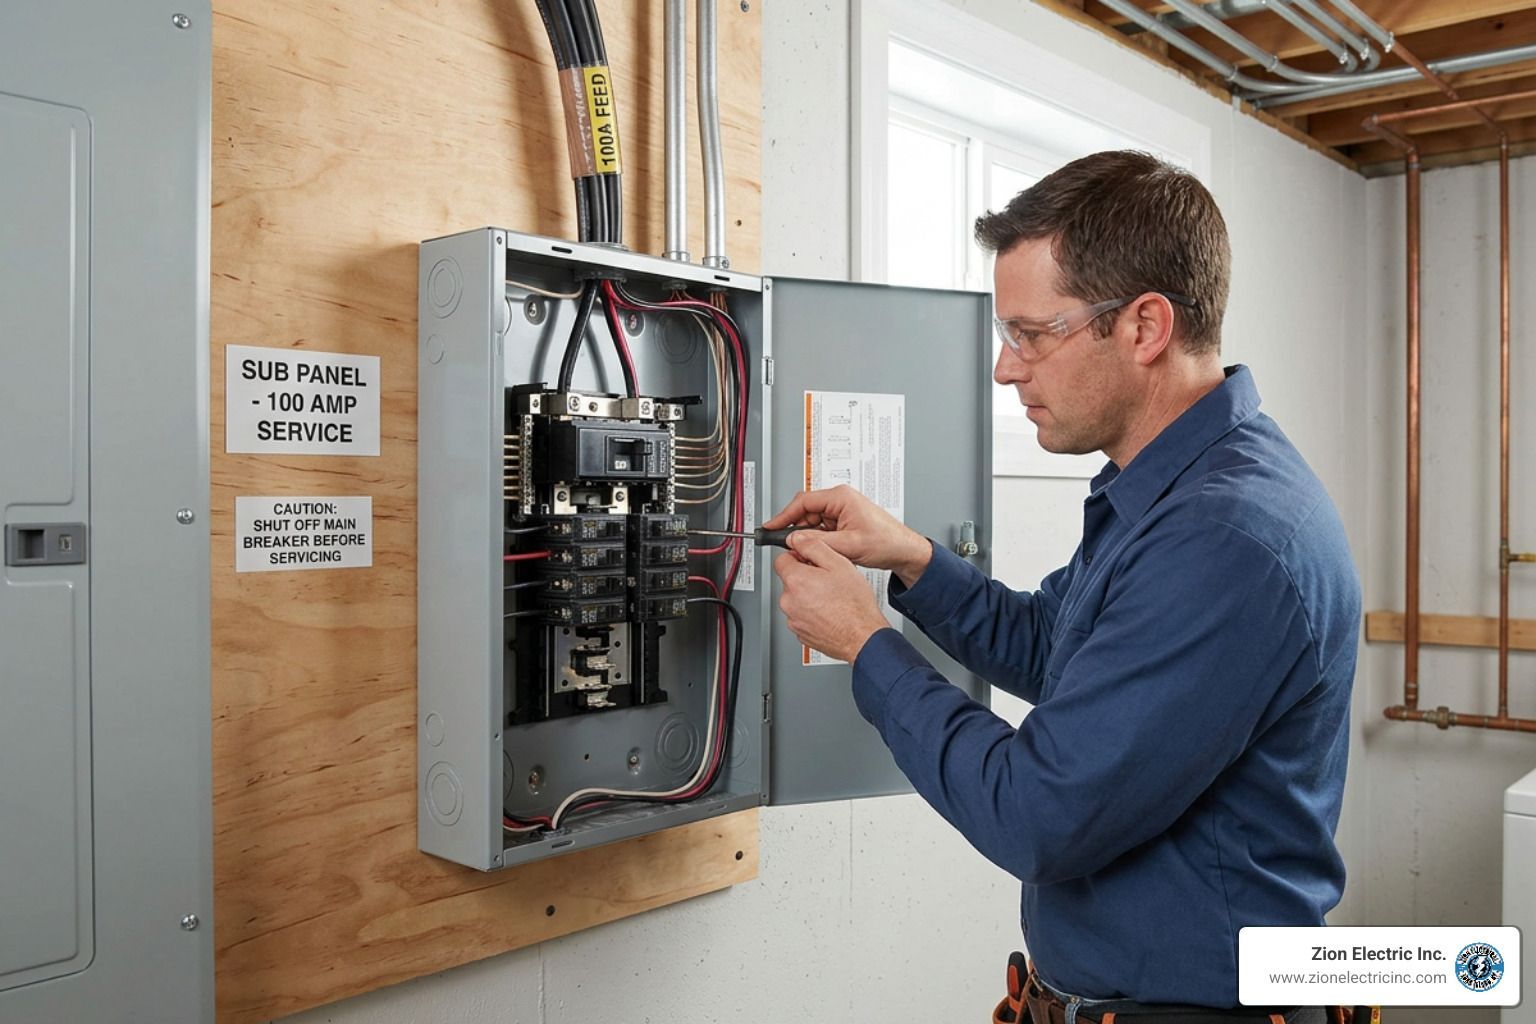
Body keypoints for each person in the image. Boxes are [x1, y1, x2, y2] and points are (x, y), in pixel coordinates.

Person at [767, 150, 1361, 1023]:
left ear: (1145, 327)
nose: (1006, 369)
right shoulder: (1169, 486)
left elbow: (1039, 814)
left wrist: (865, 644)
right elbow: (1055, 648)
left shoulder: (1225, 539)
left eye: (1031, 335)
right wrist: (911, 558)